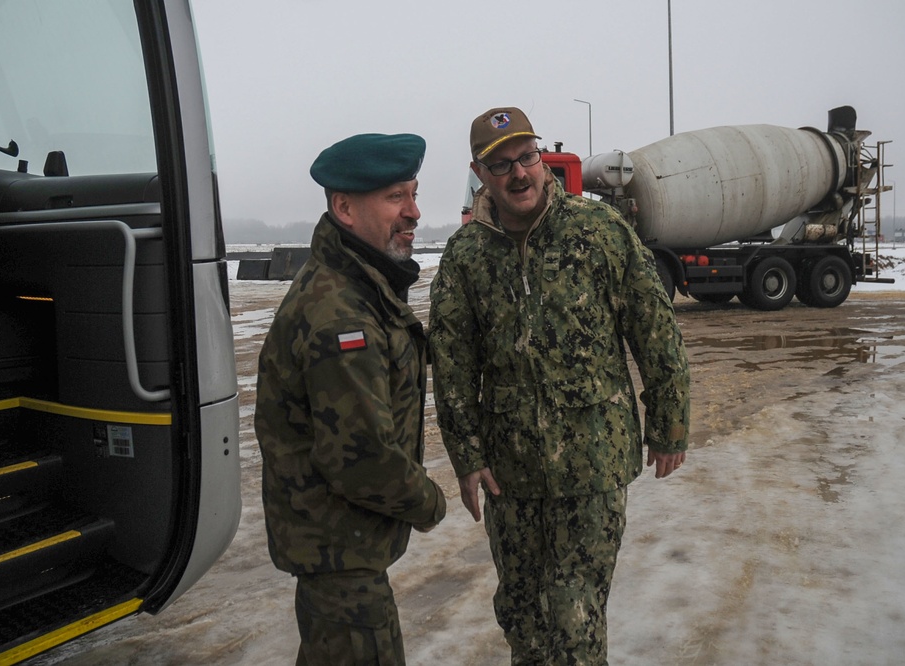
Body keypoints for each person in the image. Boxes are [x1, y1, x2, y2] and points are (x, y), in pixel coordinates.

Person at [428, 107, 690, 664]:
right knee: (521, 615)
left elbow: (655, 330)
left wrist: (669, 423)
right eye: (502, 166)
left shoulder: (598, 232)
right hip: (510, 473)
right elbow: (451, 364)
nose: (519, 174)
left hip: (593, 463)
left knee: (574, 622)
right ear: (481, 173)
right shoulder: (466, 255)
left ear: (542, 158)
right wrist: (466, 455)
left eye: (527, 157)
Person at [255, 133, 446, 666]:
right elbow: (361, 458)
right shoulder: (341, 313)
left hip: (341, 548)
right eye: (395, 198)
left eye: (413, 194)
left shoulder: (360, 284)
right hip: (339, 552)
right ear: (344, 208)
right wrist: (429, 502)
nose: (414, 212)